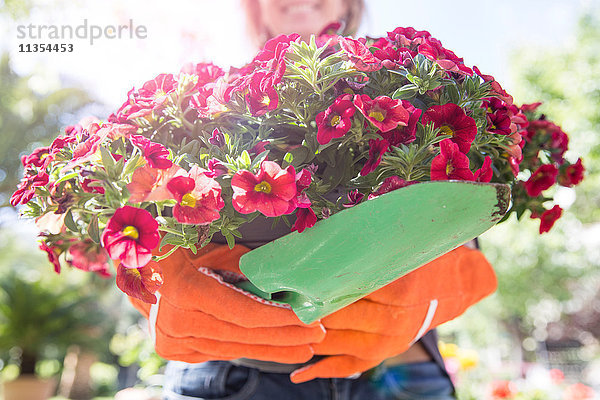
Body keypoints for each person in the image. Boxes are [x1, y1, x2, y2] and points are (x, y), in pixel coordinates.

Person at [128, 1, 495, 399]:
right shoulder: (197, 99)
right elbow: (130, 219)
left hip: (396, 372)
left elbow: (466, 215)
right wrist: (157, 281)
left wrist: (431, 292)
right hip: (235, 376)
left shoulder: (411, 82)